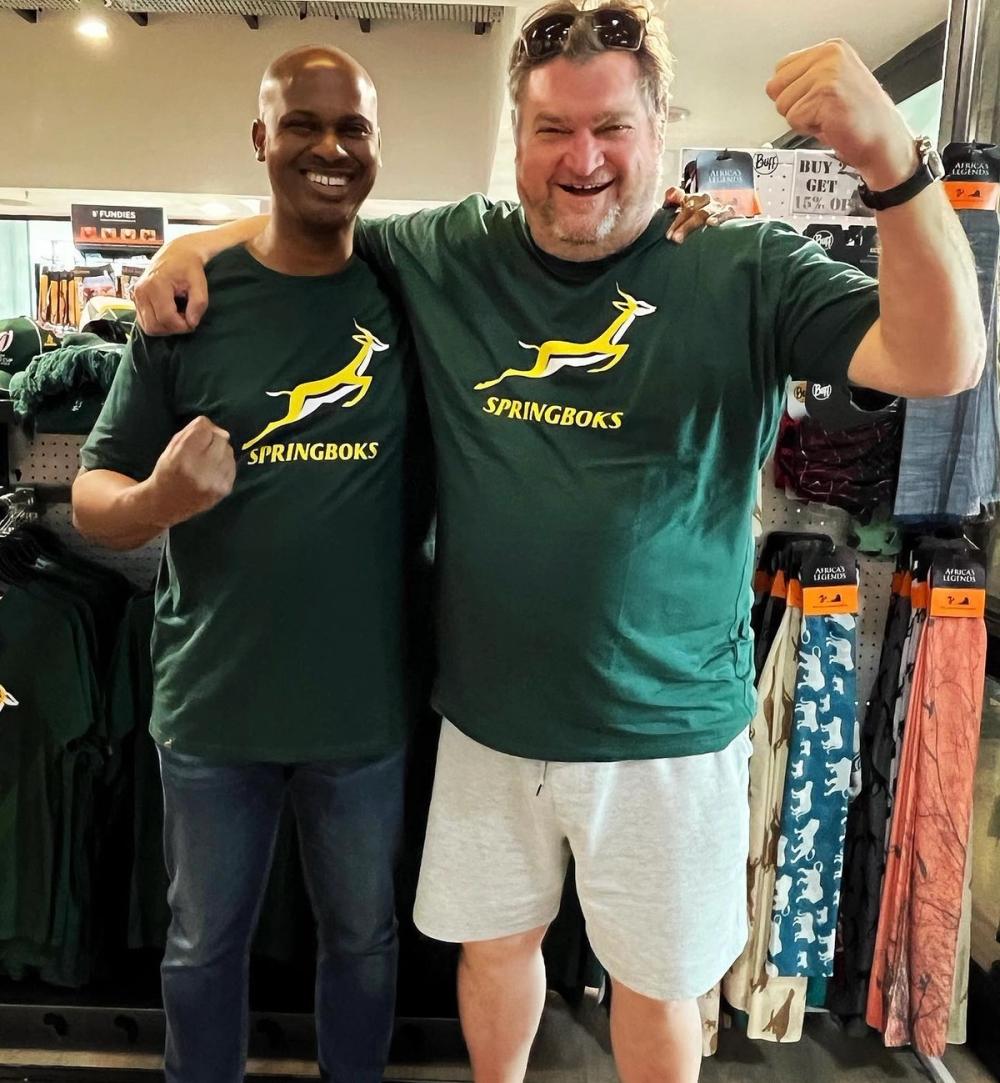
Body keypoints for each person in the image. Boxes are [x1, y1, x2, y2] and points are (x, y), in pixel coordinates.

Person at [131, 5, 986, 1082]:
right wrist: (188, 245)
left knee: (657, 983)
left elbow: (942, 360)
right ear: (517, 137)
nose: (583, 159)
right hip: (490, 719)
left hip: (667, 729)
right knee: (494, 951)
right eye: (553, 130)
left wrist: (895, 165)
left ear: (659, 128)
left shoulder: (745, 266)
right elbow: (314, 230)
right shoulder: (456, 250)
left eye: (612, 127)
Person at [72, 46, 435, 1083]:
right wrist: (156, 501)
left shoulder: (409, 291)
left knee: (364, 943)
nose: (330, 148)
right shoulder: (189, 306)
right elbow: (94, 493)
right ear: (260, 139)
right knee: (200, 948)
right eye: (303, 124)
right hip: (214, 709)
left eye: (353, 128)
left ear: (376, 145)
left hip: (361, 712)